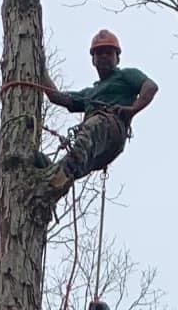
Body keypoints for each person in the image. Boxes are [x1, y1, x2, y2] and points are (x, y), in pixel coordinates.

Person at [40, 30, 158, 196]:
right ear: (93, 60)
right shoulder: (90, 93)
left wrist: (132, 110)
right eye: (99, 53)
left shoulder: (125, 75)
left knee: (93, 127)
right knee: (74, 168)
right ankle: (44, 181)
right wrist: (41, 68)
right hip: (96, 147)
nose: (103, 56)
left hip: (110, 129)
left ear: (117, 58)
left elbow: (150, 87)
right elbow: (56, 96)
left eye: (108, 53)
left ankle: (64, 169)